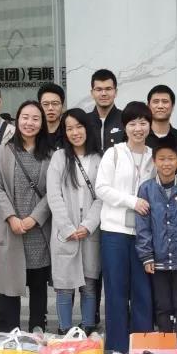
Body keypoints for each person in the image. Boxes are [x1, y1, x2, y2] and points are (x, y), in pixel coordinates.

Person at [96, 101, 156, 354]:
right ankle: (119, 345)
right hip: (114, 231)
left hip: (144, 233)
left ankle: (141, 342)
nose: (138, 128)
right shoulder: (114, 153)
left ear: (150, 125)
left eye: (143, 122)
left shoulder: (154, 156)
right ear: (124, 127)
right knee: (116, 288)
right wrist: (132, 202)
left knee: (143, 288)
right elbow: (101, 188)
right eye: (132, 123)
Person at [0, 101, 53, 333]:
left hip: (38, 229)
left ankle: (37, 326)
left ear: (42, 123)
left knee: (38, 281)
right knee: (9, 280)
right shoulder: (4, 151)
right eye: (25, 117)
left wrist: (35, 218)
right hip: (11, 228)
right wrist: (11, 217)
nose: (29, 123)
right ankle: (10, 328)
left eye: (35, 118)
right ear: (17, 121)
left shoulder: (51, 154)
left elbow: (53, 192)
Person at [136, 138, 177, 350]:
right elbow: (143, 225)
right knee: (162, 305)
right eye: (162, 159)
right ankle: (166, 346)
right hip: (158, 259)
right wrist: (146, 255)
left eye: (171, 159)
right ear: (154, 161)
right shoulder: (146, 189)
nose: (166, 163)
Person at [47, 108, 103, 334]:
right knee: (64, 285)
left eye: (79, 127)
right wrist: (67, 227)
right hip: (65, 231)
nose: (75, 132)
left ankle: (88, 326)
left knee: (89, 283)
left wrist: (88, 225)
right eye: (69, 128)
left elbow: (101, 197)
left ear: (87, 128)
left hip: (90, 230)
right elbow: (53, 195)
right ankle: (65, 328)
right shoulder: (59, 157)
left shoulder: (99, 159)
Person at [145, 84, 177, 172]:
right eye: (156, 102)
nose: (160, 106)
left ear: (173, 106)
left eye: (165, 101)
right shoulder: (140, 138)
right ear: (148, 106)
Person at [86, 69, 125, 150]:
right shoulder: (84, 121)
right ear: (92, 93)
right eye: (99, 89)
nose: (103, 93)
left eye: (108, 89)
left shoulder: (126, 119)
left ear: (116, 92)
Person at [38, 83, 66, 148]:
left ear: (62, 106)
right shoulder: (33, 133)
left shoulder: (68, 133)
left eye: (55, 103)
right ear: (39, 106)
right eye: (45, 104)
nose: (50, 108)